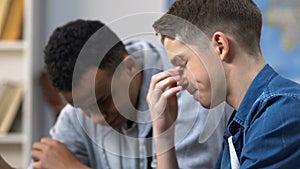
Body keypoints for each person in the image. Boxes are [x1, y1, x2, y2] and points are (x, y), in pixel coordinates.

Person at [28, 19, 231, 169]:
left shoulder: (188, 92)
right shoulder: (86, 97)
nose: (97, 118)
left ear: (130, 67)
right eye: (83, 109)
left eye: (103, 101)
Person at [148, 0, 300, 169]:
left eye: (183, 63)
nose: (179, 80)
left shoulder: (281, 112)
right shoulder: (240, 125)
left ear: (220, 46)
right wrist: (164, 136)